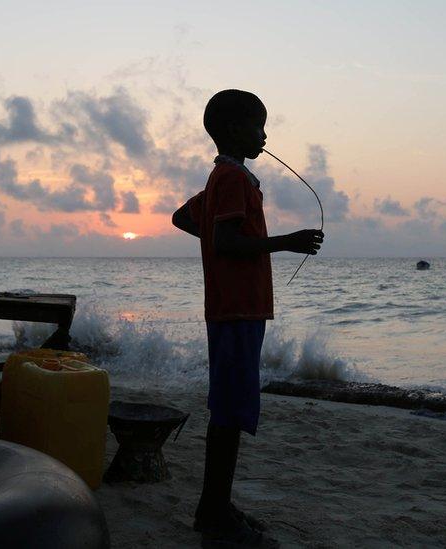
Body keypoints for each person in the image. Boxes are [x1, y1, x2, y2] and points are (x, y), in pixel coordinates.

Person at [172, 89, 324, 548]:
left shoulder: (224, 178)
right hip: (236, 308)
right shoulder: (233, 179)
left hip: (233, 308)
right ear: (236, 130)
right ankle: (213, 511)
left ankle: (216, 505)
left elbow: (184, 217)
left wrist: (214, 237)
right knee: (230, 412)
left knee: (230, 407)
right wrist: (287, 242)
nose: (265, 135)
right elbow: (225, 242)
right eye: (259, 125)